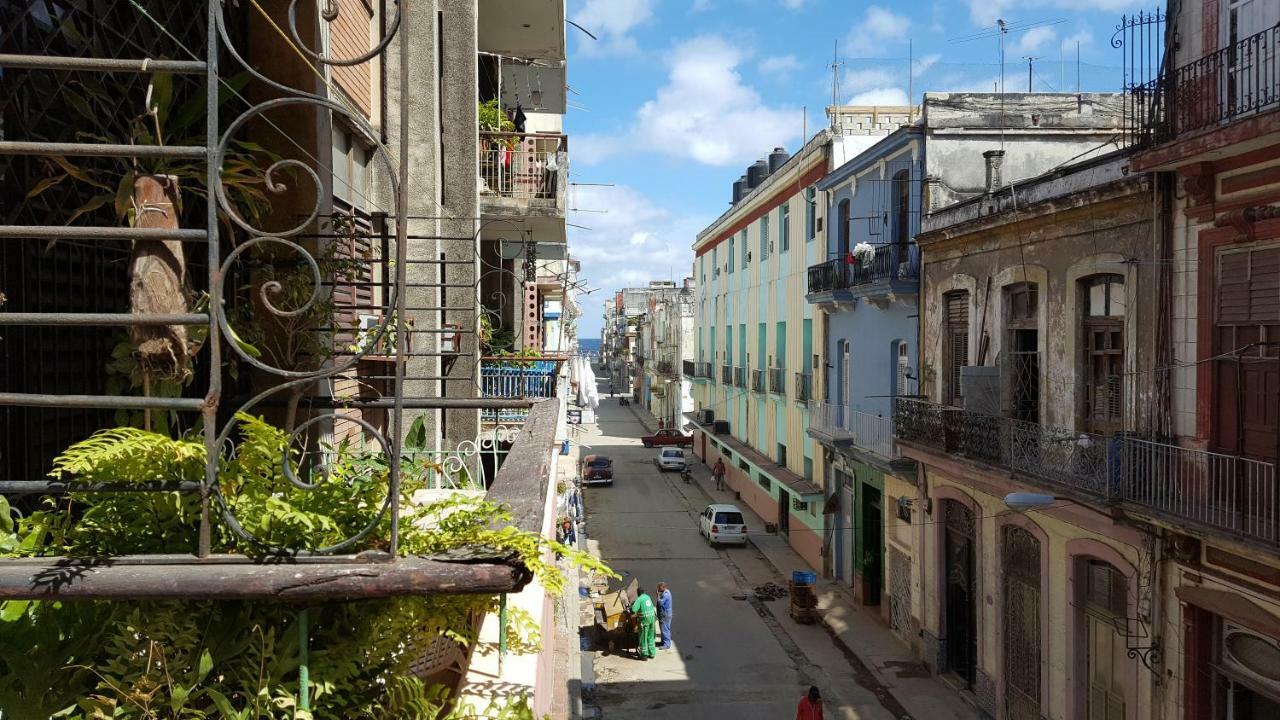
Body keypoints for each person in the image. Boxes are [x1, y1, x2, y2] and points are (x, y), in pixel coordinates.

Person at [629, 587, 658, 660]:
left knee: (643, 637)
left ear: (638, 593)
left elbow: (633, 610)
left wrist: (631, 608)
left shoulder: (639, 599)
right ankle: (652, 653)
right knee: (650, 636)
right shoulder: (647, 597)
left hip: (645, 621)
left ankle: (644, 655)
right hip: (652, 619)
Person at [656, 581, 673, 650]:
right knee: (663, 629)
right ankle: (663, 642)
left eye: (659, 588)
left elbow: (660, 603)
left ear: (663, 587)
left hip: (665, 614)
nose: (658, 589)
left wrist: (658, 596)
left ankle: (667, 644)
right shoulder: (666, 592)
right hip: (664, 614)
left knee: (665, 629)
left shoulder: (666, 594)